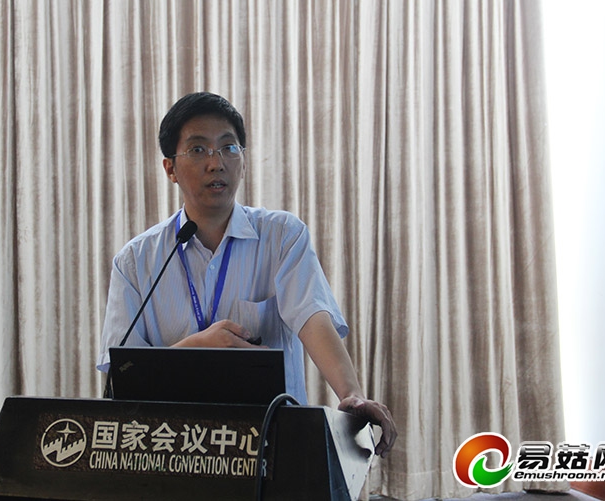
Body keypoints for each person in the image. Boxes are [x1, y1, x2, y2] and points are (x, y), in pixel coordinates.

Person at [97, 92, 396, 457]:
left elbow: (312, 316)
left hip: (270, 446)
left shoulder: (282, 236)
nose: (216, 163)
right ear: (170, 168)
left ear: (243, 161)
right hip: (172, 450)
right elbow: (124, 374)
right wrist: (195, 349)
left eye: (228, 148)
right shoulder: (136, 261)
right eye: (198, 149)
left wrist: (351, 394)